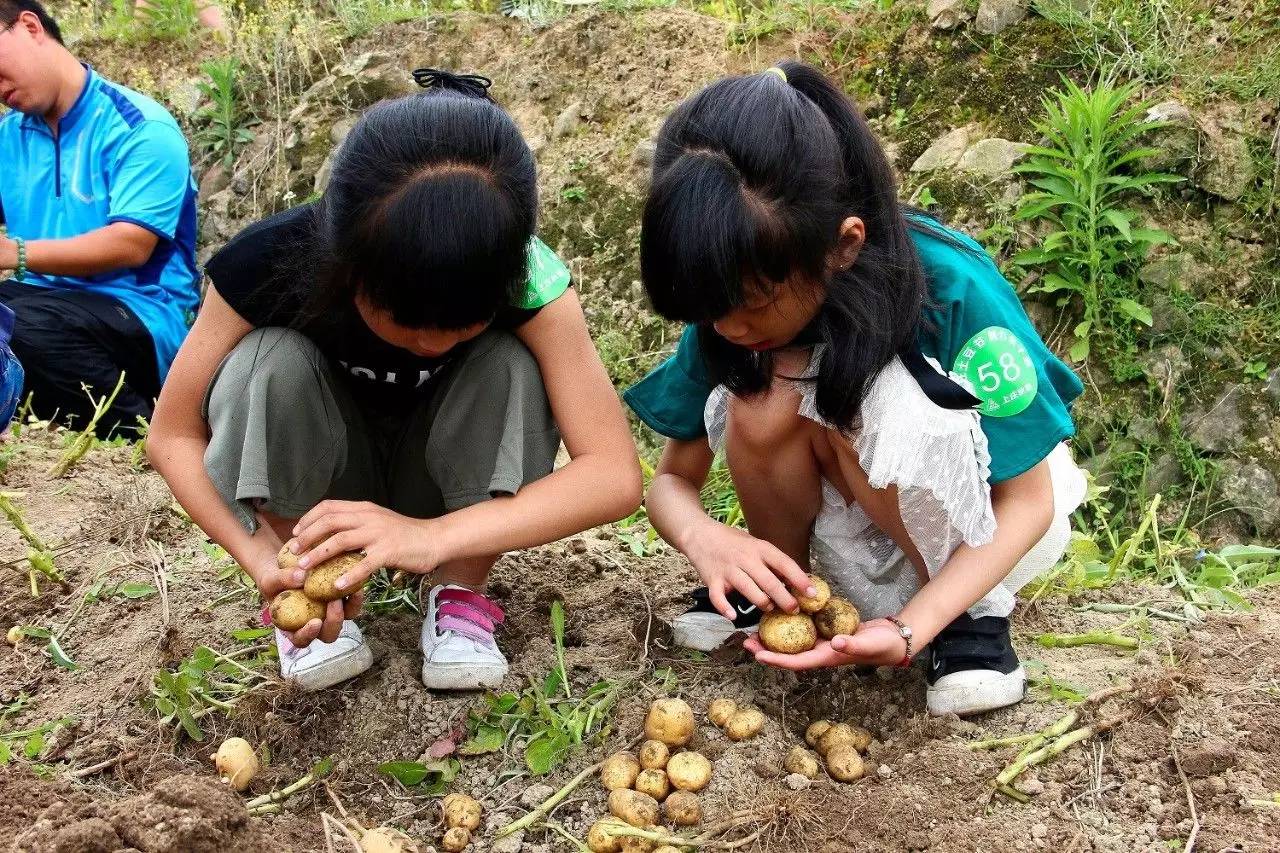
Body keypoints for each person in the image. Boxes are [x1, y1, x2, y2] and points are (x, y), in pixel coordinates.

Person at [147, 69, 642, 693]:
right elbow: (171, 436)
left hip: (440, 485)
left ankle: (459, 589)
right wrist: (263, 560)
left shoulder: (532, 280)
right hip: (317, 494)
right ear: (345, 262)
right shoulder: (271, 261)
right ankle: (311, 593)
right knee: (268, 361)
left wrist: (433, 537)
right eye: (406, 320)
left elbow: (615, 474)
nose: (433, 342)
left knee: (509, 365)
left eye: (463, 323)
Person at [624, 61, 1087, 717]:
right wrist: (708, 539)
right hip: (854, 524)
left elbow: (1027, 501)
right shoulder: (733, 299)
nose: (730, 326)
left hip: (978, 530)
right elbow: (671, 483)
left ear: (843, 244)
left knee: (881, 404)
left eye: (753, 304)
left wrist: (909, 629)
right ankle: (782, 593)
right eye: (713, 310)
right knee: (762, 397)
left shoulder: (949, 289)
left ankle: (971, 622)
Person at [0, 0, 200, 438]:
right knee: (16, 318)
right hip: (39, 303)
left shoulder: (140, 127)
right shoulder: (8, 137)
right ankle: (31, 404)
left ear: (28, 26)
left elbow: (130, 244)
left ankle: (140, 422)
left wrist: (14, 253)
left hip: (139, 312)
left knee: (21, 325)